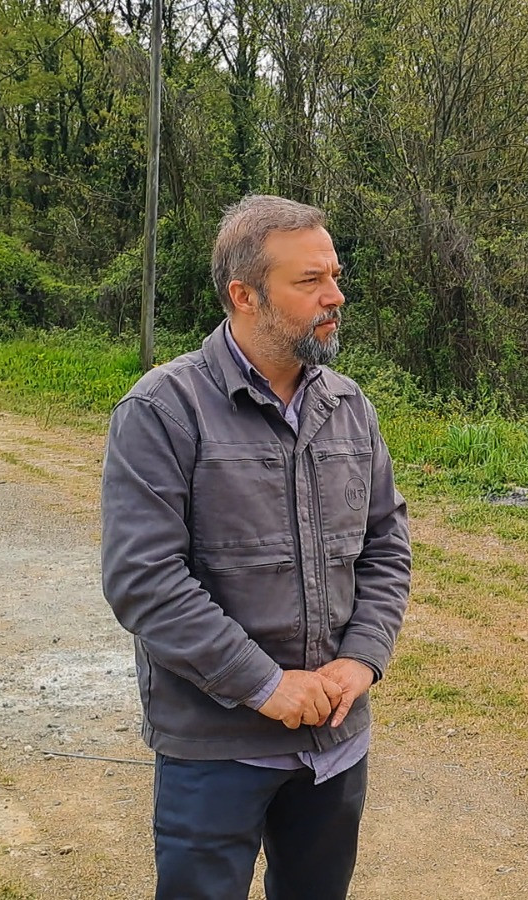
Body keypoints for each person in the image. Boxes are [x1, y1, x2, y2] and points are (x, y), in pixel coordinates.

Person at [100, 195, 411, 900]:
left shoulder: (349, 407)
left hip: (334, 742)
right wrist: (266, 686)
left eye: (335, 277)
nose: (335, 296)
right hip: (217, 749)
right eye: (310, 281)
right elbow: (145, 580)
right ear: (244, 295)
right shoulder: (162, 410)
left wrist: (362, 659)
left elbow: (386, 546)